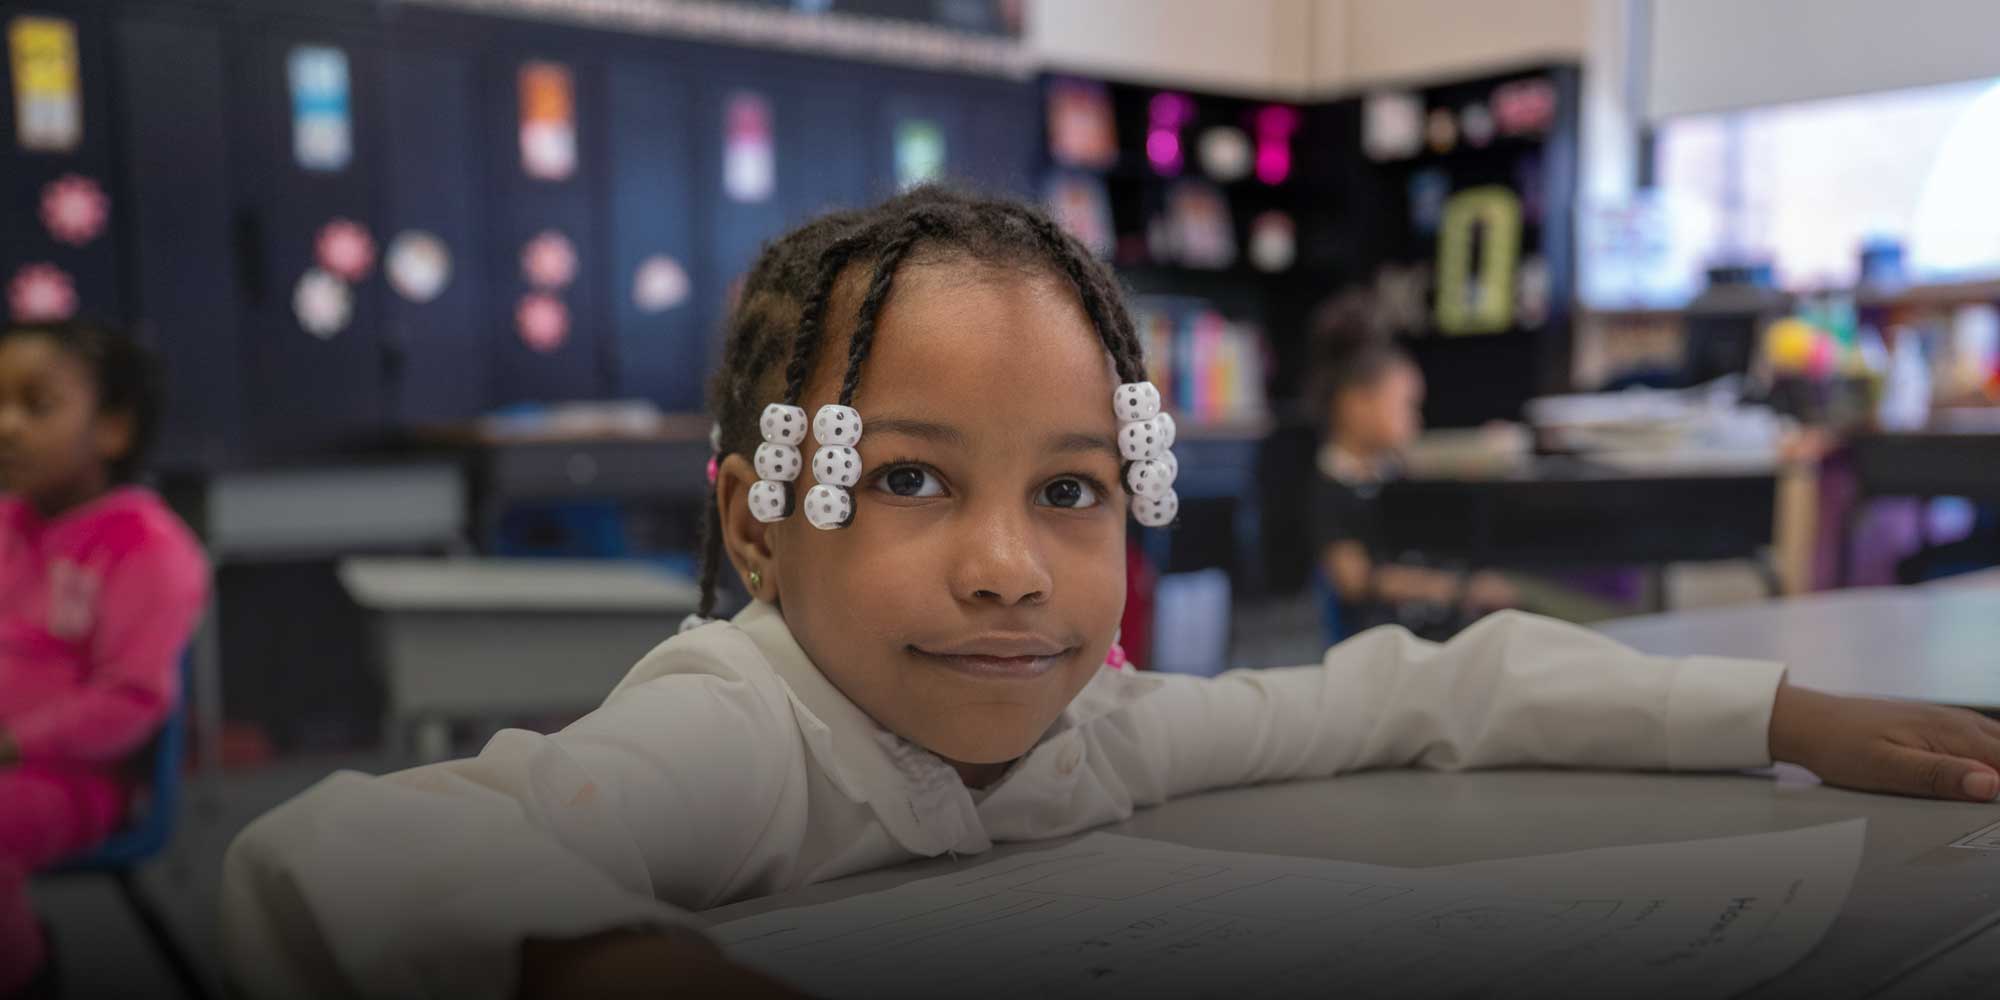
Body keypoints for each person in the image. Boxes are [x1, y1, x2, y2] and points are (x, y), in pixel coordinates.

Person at [222, 189, 2000, 1000]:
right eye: (909, 479)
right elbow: (351, 844)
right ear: (763, 526)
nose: (1009, 565)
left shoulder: (1107, 730)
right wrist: (609, 962)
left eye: (1070, 491)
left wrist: (1779, 713)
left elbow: (1421, 691)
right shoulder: (740, 731)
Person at [0, 320, 208, 996]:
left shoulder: (146, 544)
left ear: (114, 429)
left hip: (78, 781)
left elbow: (133, 702)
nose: (6, 426)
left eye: (36, 406)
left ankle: (29, 975)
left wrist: (11, 744)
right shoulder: (6, 522)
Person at [1305, 303, 1514, 639]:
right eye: (1406, 406)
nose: (1416, 420)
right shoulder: (1334, 488)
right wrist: (1459, 589)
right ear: (1356, 404)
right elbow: (1353, 580)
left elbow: (1441, 458)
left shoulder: (1389, 470)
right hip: (1385, 641)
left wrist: (1488, 446)